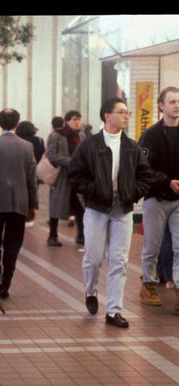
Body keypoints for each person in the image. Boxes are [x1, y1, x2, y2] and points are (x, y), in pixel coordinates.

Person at [68, 97, 152, 328]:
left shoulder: (132, 147)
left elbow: (146, 176)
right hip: (96, 208)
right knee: (93, 258)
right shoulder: (90, 145)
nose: (127, 116)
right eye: (122, 112)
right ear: (107, 115)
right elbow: (74, 175)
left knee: (119, 261)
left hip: (122, 209)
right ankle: (90, 291)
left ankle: (114, 310)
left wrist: (132, 194)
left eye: (128, 112)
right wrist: (94, 190)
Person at [0, 108, 38, 299]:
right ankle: (5, 284)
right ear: (17, 124)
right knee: (13, 245)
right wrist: (32, 205)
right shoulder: (27, 147)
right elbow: (31, 180)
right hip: (19, 204)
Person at [139, 86, 179, 310]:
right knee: (152, 247)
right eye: (172, 101)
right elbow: (143, 169)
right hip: (156, 199)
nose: (177, 105)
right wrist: (167, 182)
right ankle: (148, 285)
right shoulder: (150, 136)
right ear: (161, 106)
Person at [46, 111, 86, 248]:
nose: (77, 122)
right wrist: (70, 161)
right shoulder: (56, 135)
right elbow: (51, 154)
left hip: (77, 177)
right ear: (67, 121)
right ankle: (52, 236)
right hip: (61, 177)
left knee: (80, 206)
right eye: (74, 119)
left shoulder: (81, 136)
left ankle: (81, 235)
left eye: (79, 119)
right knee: (56, 206)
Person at [16, 120, 44, 229]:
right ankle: (29, 216)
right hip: (34, 171)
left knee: (20, 194)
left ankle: (20, 215)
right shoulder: (39, 140)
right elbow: (42, 155)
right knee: (32, 193)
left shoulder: (18, 141)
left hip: (19, 171)